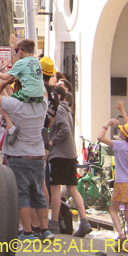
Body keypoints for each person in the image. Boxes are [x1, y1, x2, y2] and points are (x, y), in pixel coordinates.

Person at [0, 74, 52, 243]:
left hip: (19, 156)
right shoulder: (42, 104)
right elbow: (44, 92)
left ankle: (28, 232)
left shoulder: (15, 104)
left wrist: (5, 81)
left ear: (17, 89)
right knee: (38, 193)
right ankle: (45, 230)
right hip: (38, 156)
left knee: (22, 195)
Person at [46, 85, 91, 237]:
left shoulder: (58, 110)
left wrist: (52, 142)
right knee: (72, 188)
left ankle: (53, 223)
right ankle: (84, 221)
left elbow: (64, 129)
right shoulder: (67, 110)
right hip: (70, 153)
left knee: (55, 189)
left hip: (60, 154)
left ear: (57, 97)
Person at [98, 119, 128, 249]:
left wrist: (106, 124)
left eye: (122, 130)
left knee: (112, 210)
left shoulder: (120, 145)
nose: (120, 131)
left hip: (122, 183)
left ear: (125, 135)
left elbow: (100, 137)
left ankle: (121, 234)